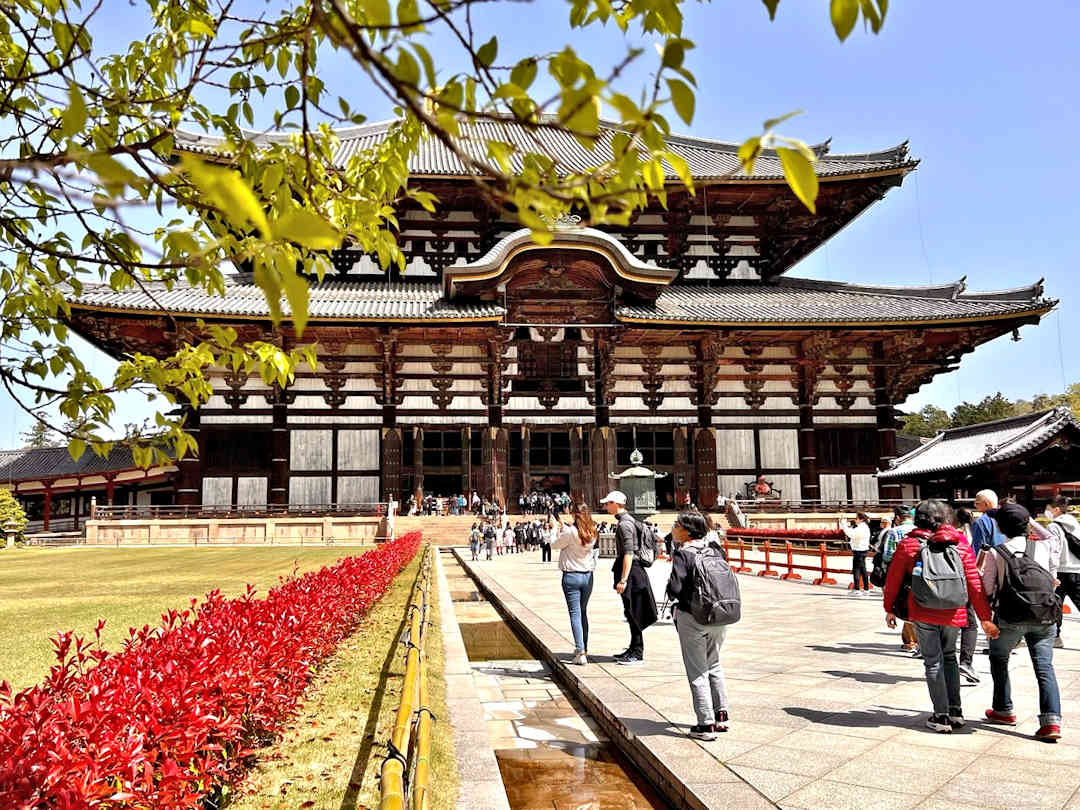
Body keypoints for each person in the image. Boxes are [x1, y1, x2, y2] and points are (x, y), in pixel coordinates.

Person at [882, 499, 996, 733]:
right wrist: (985, 616)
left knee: (932, 661)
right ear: (945, 518)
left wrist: (889, 607)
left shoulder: (910, 544)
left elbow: (893, 579)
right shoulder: (960, 543)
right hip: (954, 610)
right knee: (950, 658)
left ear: (918, 518)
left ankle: (941, 716)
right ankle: (956, 712)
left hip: (923, 610)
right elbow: (974, 582)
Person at [981, 502, 1063, 740]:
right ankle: (1051, 722)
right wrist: (1030, 523)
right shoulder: (1045, 547)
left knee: (999, 658)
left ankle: (1003, 709)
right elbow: (1052, 575)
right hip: (1045, 615)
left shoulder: (996, 552)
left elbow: (988, 589)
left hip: (1010, 617)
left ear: (1000, 526)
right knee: (1045, 667)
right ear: (1027, 525)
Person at [666, 511, 731, 741]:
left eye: (677, 525)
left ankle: (706, 724)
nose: (674, 527)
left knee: (697, 671)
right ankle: (722, 715)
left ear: (687, 530)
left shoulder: (684, 554)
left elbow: (674, 588)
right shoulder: (715, 549)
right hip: (719, 614)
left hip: (693, 616)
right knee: (714, 665)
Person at [602, 490, 658, 666]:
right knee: (630, 610)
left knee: (633, 611)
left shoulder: (624, 525)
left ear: (616, 504)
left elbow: (628, 553)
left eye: (608, 503)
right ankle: (633, 648)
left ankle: (637, 652)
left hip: (631, 572)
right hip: (632, 570)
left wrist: (623, 580)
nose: (605, 506)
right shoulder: (630, 521)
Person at [552, 503, 599, 666]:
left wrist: (555, 529)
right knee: (583, 612)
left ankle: (580, 651)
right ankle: (583, 647)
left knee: (575, 613)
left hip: (571, 577)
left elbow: (554, 545)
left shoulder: (570, 531)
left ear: (574, 514)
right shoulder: (592, 531)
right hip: (587, 576)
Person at [879, 506, 918, 653]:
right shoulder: (918, 530)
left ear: (897, 518)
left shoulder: (894, 532)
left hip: (900, 575)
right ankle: (911, 640)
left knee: (904, 605)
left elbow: (888, 556)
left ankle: (911, 642)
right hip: (918, 573)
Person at [1045, 496, 1080, 648]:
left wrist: (1050, 572)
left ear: (1056, 509)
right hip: (1077, 569)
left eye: (1048, 508)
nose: (1047, 512)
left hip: (1060, 571)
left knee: (1055, 605)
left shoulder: (1053, 527)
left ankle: (1055, 637)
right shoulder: (1076, 524)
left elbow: (1054, 552)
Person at [951, 508, 980, 684]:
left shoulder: (939, 536)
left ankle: (945, 663)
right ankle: (966, 662)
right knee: (970, 625)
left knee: (948, 624)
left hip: (940, 586)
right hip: (963, 585)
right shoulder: (969, 536)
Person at [971, 489, 1006, 559]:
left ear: (986, 504)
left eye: (977, 503)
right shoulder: (1006, 517)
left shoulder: (981, 521)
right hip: (1005, 561)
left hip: (989, 564)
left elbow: (978, 550)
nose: (974, 505)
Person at [842, 512, 871, 594]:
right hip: (863, 550)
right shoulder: (864, 527)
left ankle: (857, 589)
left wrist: (844, 525)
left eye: (856, 518)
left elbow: (851, 534)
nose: (855, 520)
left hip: (859, 550)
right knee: (863, 570)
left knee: (857, 570)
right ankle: (866, 588)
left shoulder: (861, 528)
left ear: (861, 519)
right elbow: (852, 531)